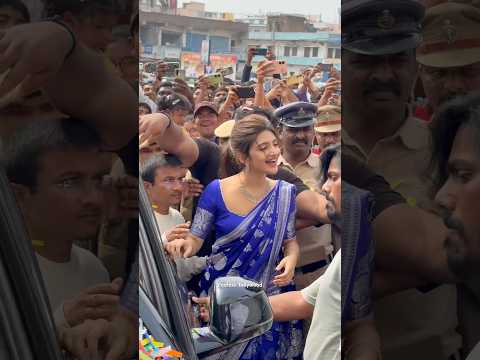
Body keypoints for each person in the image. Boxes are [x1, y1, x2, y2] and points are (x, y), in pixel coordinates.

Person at [342, 1, 461, 358]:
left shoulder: (451, 151)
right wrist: (424, 265)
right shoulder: (317, 153)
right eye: (365, 61)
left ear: (416, 66)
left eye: (397, 60)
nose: (384, 74)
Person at [166, 115, 303, 360]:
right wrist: (179, 246)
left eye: (274, 144)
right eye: (263, 148)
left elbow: (290, 241)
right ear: (242, 157)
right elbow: (195, 241)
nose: (273, 152)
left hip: (269, 294)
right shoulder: (215, 191)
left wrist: (291, 260)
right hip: (222, 299)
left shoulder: (285, 193)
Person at [141, 154, 206, 282]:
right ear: (147, 186)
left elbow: (181, 267)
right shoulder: (142, 221)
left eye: (181, 179)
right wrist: (163, 241)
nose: (178, 187)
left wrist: (210, 261)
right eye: (169, 180)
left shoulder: (177, 217)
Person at [417, 1, 480, 122]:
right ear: (420, 74)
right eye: (439, 73)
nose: (454, 86)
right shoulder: (403, 137)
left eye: (468, 71)